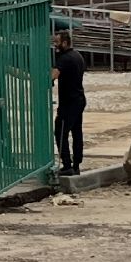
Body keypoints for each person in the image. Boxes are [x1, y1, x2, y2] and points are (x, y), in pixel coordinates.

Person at [51, 29, 87, 175]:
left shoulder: (64, 59)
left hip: (68, 102)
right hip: (79, 99)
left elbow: (53, 76)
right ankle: (77, 164)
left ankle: (67, 165)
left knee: (60, 131)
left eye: (57, 42)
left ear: (65, 43)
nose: (55, 45)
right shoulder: (78, 56)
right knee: (77, 132)